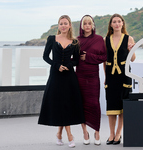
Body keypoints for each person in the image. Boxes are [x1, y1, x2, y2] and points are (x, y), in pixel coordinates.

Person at [38, 15, 85, 148]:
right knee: (59, 103)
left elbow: (76, 60)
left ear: (70, 25)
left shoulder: (75, 42)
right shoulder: (52, 39)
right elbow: (45, 57)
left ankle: (60, 133)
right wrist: (56, 65)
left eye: (65, 23)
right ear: (58, 26)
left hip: (69, 76)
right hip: (55, 75)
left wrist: (69, 66)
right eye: (61, 24)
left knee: (67, 104)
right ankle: (70, 136)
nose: (63, 26)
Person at [103, 13, 136, 145]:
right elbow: (104, 61)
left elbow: (132, 59)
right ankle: (111, 133)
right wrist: (105, 77)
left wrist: (131, 51)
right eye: (114, 21)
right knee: (111, 106)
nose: (117, 24)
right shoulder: (105, 39)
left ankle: (118, 133)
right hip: (111, 76)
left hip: (125, 75)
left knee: (123, 106)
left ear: (122, 23)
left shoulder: (129, 38)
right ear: (111, 24)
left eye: (119, 21)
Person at [76, 15, 107, 145]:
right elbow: (72, 58)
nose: (87, 26)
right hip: (80, 75)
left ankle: (97, 131)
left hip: (93, 76)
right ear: (82, 26)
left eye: (89, 23)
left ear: (93, 25)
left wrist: (88, 56)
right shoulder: (76, 40)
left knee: (94, 104)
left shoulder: (99, 39)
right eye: (85, 24)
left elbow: (104, 56)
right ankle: (84, 132)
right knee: (81, 104)